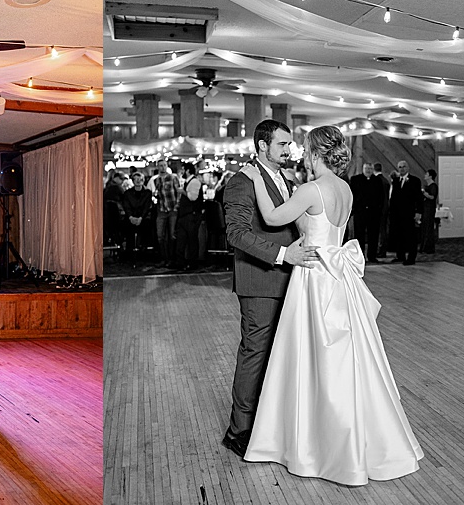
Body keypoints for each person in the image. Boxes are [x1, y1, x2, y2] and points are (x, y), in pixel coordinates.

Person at [238, 125, 423, 485]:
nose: (302, 153)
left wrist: (256, 177)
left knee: (310, 358)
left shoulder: (311, 189)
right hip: (340, 280)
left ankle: (314, 443)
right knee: (345, 361)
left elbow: (273, 218)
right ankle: (345, 441)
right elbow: (316, 223)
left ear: (315, 152)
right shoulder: (345, 189)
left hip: (313, 278)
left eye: (306, 148)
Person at [221, 119, 320, 460]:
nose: (288, 150)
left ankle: (266, 422)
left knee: (277, 354)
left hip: (285, 280)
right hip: (260, 281)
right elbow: (235, 234)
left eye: (289, 145)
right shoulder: (240, 182)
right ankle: (239, 431)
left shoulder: (283, 179)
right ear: (262, 146)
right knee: (255, 353)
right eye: (282, 144)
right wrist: (283, 254)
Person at [389, 160, 424, 265]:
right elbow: (394, 198)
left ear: (408, 168)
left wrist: (419, 212)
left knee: (411, 236)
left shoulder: (415, 180)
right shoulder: (395, 181)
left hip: (410, 213)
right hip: (398, 213)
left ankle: (411, 257)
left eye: (404, 166)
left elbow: (419, 198)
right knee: (399, 235)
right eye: (399, 167)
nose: (402, 169)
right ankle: (400, 255)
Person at [349, 162, 385, 263]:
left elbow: (381, 196)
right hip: (360, 212)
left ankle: (372, 256)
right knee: (359, 235)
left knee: (373, 235)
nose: (368, 170)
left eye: (370, 168)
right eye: (366, 168)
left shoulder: (377, 180)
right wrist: (354, 209)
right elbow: (352, 195)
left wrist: (379, 209)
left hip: (373, 213)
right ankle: (360, 257)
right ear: (363, 169)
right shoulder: (355, 179)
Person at [172, 163, 203, 271]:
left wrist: (182, 192)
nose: (182, 172)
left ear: (188, 171)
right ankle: (181, 262)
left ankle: (192, 264)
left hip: (191, 215)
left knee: (191, 241)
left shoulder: (194, 182)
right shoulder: (189, 181)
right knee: (183, 240)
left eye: (183, 170)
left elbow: (193, 197)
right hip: (186, 215)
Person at [121, 171, 153, 258]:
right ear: (133, 181)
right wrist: (131, 217)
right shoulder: (127, 193)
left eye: (140, 179)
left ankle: (144, 251)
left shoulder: (148, 193)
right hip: (131, 217)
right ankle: (129, 252)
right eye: (136, 179)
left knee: (147, 226)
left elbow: (146, 207)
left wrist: (141, 218)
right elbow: (126, 206)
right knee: (126, 226)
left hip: (143, 217)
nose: (139, 181)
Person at [373, 162, 391, 257]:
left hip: (379, 209)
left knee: (380, 230)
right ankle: (382, 249)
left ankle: (380, 250)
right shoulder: (385, 180)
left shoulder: (376, 180)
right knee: (383, 230)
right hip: (386, 207)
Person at [420, 169, 439, 253]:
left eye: (426, 174)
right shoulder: (428, 185)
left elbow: (432, 197)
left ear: (430, 176)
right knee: (424, 227)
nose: (425, 175)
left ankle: (429, 248)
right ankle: (424, 246)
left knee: (428, 228)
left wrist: (424, 193)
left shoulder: (433, 186)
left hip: (430, 208)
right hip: (425, 208)